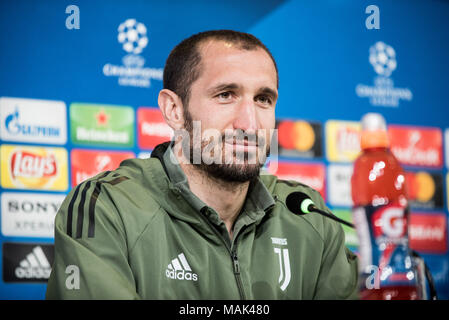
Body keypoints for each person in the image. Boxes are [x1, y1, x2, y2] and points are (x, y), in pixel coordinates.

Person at [46, 30, 359, 299]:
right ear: (173, 109)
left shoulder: (309, 217)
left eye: (263, 99)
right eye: (226, 95)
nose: (249, 124)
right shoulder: (107, 208)